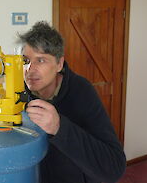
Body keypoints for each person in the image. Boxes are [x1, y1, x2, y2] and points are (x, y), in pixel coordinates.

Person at [17, 21, 126, 183]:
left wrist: (59, 127)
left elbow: (114, 166)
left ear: (59, 64)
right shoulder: (20, 91)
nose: (30, 69)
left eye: (41, 60)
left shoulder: (82, 91)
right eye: (26, 60)